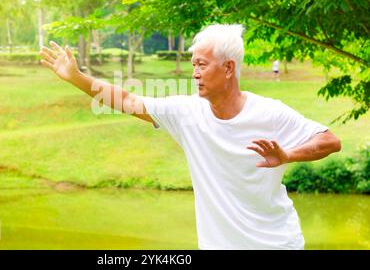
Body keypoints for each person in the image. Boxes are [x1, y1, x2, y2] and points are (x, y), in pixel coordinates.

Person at [39, 24, 341, 250]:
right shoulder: (186, 112)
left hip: (276, 245)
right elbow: (130, 101)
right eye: (193, 64)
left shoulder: (270, 113)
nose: (194, 73)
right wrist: (77, 78)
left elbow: (329, 140)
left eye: (202, 64)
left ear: (228, 68)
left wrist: (288, 155)